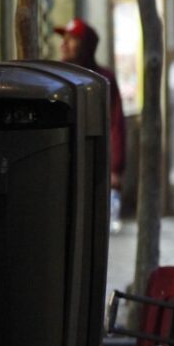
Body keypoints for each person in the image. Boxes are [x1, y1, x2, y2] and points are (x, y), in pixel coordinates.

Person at [56, 18, 126, 233]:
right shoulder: (56, 77)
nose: (64, 44)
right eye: (64, 38)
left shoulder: (102, 80)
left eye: (72, 39)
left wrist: (116, 168)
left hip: (94, 162)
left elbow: (116, 122)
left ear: (86, 46)